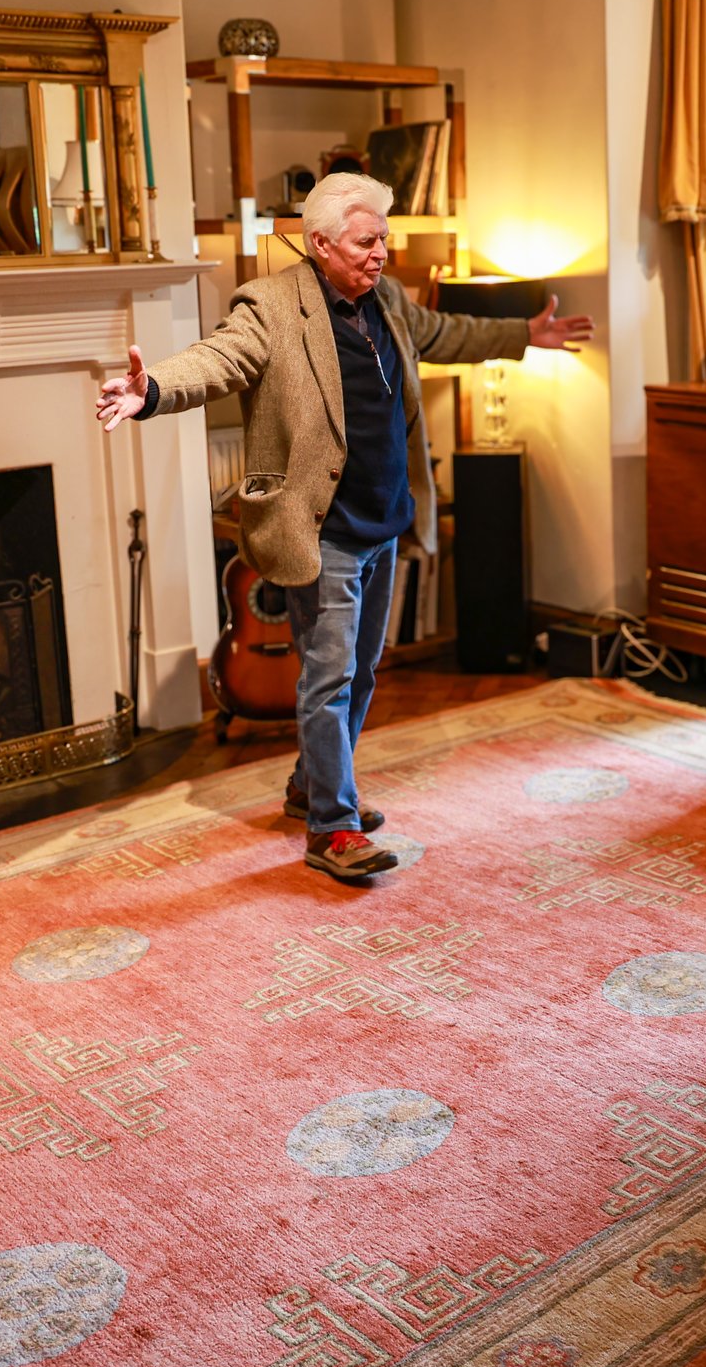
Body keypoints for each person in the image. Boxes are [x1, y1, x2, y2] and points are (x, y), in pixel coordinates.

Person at [96, 172, 590, 879]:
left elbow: (447, 332)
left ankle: (309, 786)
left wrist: (524, 333)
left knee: (361, 674)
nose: (381, 251)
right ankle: (333, 827)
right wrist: (151, 393)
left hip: (384, 519)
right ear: (321, 243)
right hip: (320, 528)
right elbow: (219, 358)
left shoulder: (386, 300)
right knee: (328, 678)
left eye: (384, 237)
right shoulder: (270, 305)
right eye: (367, 240)